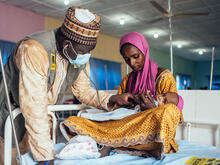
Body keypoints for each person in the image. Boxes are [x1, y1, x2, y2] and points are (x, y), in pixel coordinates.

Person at [0, 7, 135, 165]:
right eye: (83, 51)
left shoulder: (76, 55)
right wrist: (45, 155)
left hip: (42, 124)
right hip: (11, 122)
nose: (86, 56)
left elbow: (83, 91)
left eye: (90, 51)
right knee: (12, 159)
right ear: (66, 44)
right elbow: (33, 105)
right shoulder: (34, 50)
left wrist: (113, 98)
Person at [62, 32, 184, 160]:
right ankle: (116, 142)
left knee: (168, 110)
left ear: (145, 51)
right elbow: (117, 113)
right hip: (125, 127)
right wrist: (124, 103)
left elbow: (174, 115)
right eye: (127, 59)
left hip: (151, 133)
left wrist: (151, 110)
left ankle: (111, 142)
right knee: (76, 121)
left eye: (136, 56)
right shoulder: (127, 80)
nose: (132, 63)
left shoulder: (163, 77)